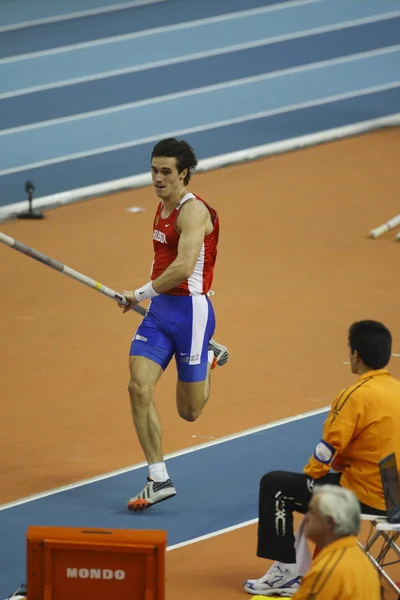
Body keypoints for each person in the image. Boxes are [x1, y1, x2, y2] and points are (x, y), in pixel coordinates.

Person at [244, 319, 400, 596]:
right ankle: (294, 568)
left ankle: (286, 571)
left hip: (368, 497)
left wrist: (312, 474)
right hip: (396, 499)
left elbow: (329, 447)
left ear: (355, 355)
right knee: (319, 492)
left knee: (276, 486)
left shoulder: (355, 395)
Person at [118, 137, 228, 512]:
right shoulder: (160, 208)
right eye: (154, 170)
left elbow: (182, 267)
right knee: (138, 387)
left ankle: (208, 354)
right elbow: (163, 263)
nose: (158, 178)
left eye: (166, 171)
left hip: (193, 315)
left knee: (189, 412)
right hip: (161, 312)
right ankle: (158, 477)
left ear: (184, 174)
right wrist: (147, 297)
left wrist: (138, 293)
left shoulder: (192, 212)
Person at [290, 485, 382, 599]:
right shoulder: (359, 558)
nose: (307, 517)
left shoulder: (326, 571)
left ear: (329, 522)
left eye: (312, 512)